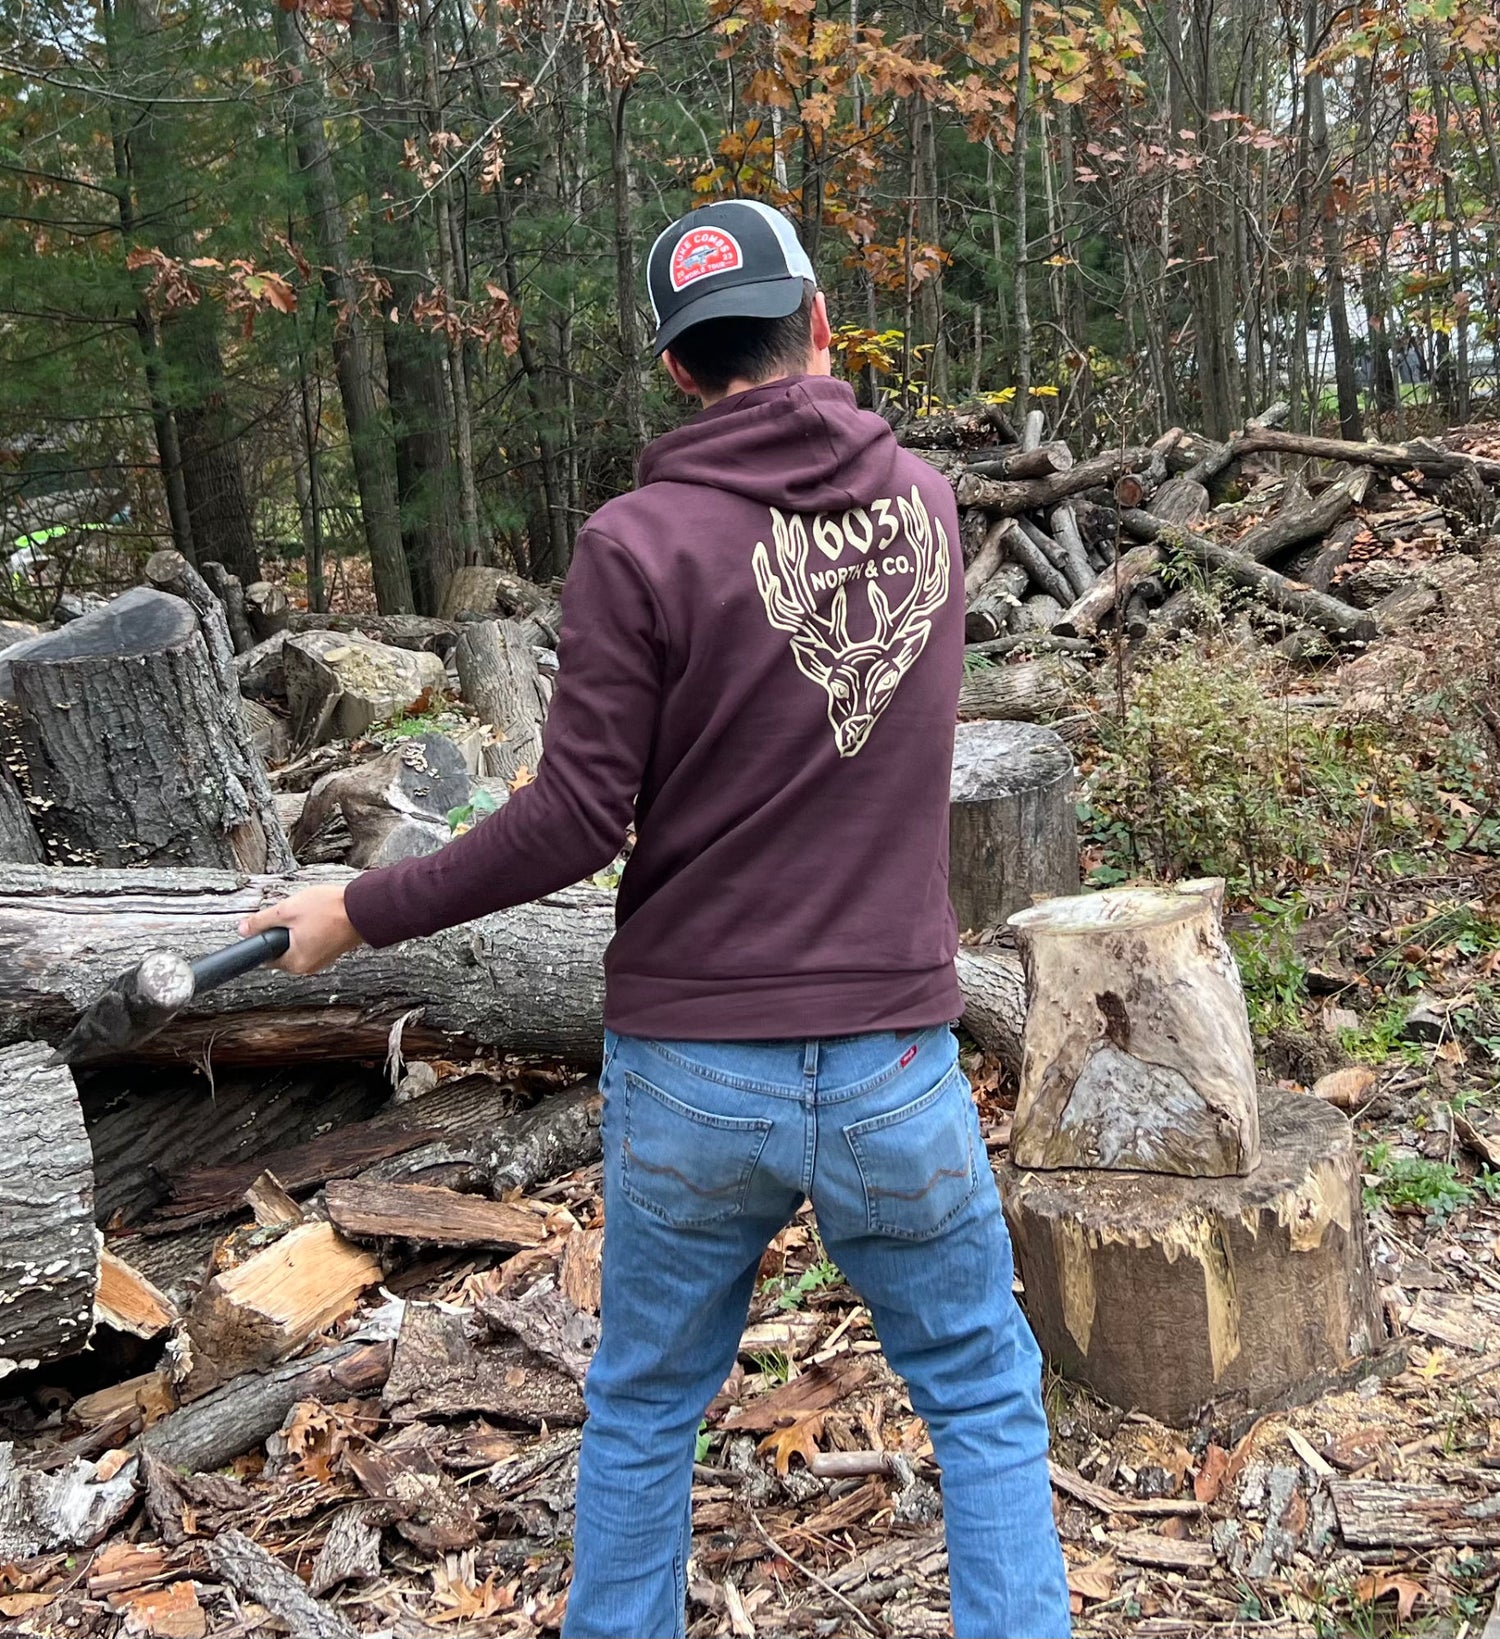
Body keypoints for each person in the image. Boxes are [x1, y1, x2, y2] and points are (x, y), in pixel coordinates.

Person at [242, 199, 1071, 1639]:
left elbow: (570, 821)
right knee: (986, 1401)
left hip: (695, 1072)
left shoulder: (639, 544)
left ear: (681, 372)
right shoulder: (930, 506)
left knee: (642, 1416)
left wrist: (354, 914)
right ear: (820, 326)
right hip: (891, 1064)